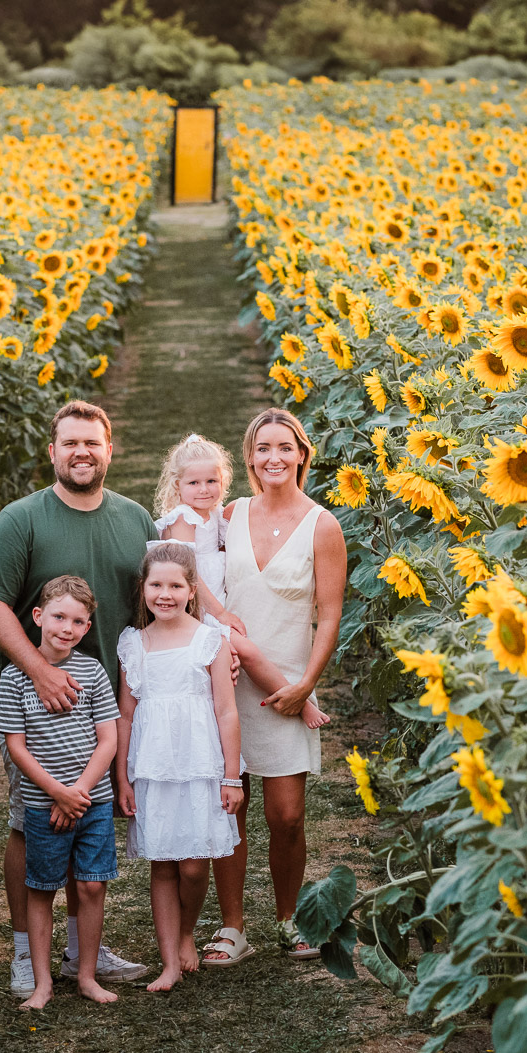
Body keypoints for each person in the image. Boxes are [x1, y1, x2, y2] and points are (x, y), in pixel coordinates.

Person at [0, 400, 155, 995]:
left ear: (109, 450)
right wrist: (40, 671)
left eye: (92, 444)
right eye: (70, 443)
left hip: (111, 703)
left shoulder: (135, 520)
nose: (82, 453)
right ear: (52, 451)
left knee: (91, 817)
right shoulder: (22, 519)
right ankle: (27, 952)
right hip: (41, 702)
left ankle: (81, 951)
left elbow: (160, 598)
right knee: (32, 823)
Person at [204, 408, 347, 966]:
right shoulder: (231, 514)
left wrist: (306, 683)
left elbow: (330, 615)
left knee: (286, 816)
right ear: (249, 458)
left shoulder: (322, 525)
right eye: (262, 449)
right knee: (229, 806)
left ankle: (291, 919)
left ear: (302, 455)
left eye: (284, 448)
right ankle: (233, 926)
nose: (273, 458)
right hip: (228, 682)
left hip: (288, 682)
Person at [113, 542, 243, 992]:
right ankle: (169, 959)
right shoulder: (133, 644)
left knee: (192, 864)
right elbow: (126, 715)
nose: (164, 594)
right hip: (152, 765)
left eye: (174, 585)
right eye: (155, 585)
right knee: (163, 863)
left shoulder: (211, 641)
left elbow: (226, 712)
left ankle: (188, 930)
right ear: (143, 588)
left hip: (199, 763)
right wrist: (122, 776)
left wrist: (231, 775)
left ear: (191, 590)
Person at [0, 576, 121, 1009]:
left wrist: (80, 791)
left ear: (87, 628)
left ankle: (85, 974)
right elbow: (16, 746)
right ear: (38, 617)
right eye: (59, 617)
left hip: (93, 801)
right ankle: (42, 982)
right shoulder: (15, 678)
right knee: (42, 887)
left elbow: (108, 739)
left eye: (77, 621)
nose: (66, 628)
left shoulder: (93, 671)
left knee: (90, 887)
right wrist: (56, 793)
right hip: (43, 804)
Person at [152, 433, 329, 731]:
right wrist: (220, 614)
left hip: (218, 603)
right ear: (177, 486)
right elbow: (187, 574)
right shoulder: (183, 519)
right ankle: (300, 703)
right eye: (193, 483)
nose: (204, 490)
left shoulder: (218, 516)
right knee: (246, 651)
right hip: (198, 609)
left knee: (233, 661)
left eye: (212, 481)